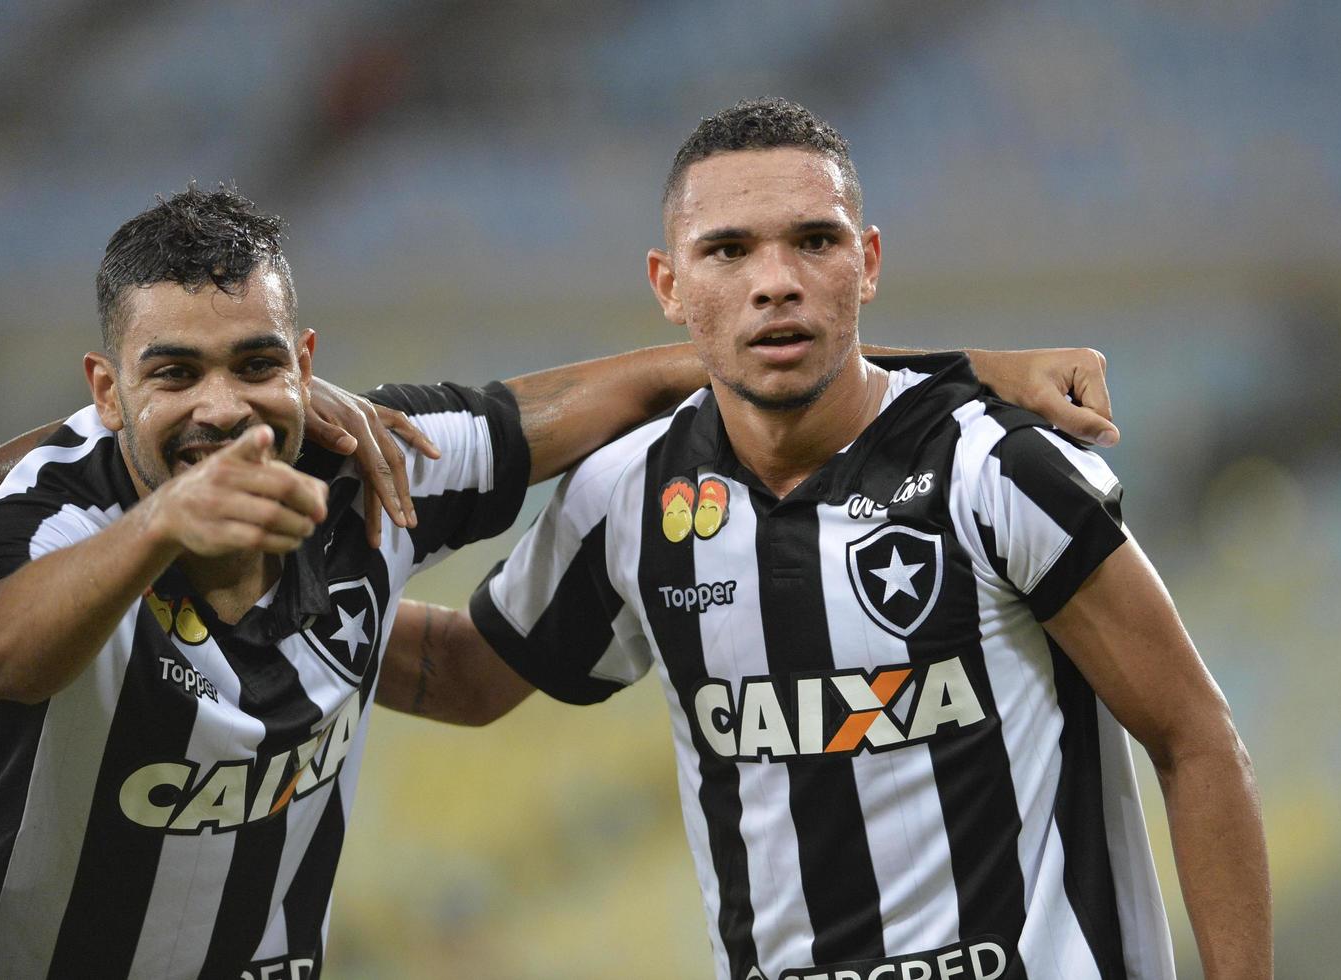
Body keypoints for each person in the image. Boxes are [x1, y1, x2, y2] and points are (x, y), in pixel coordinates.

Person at [0, 183, 1119, 979]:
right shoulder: (36, 513)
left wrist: (973, 369)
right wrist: (165, 518)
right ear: (106, 392)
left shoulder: (365, 465)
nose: (222, 406)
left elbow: (660, 382)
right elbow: (4, 653)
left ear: (305, 363)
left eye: (254, 362)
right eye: (174, 374)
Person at [407, 98, 1272, 979]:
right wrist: (279, 610)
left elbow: (1193, 737)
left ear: (867, 263)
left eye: (815, 241)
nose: (775, 280)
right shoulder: (630, 495)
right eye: (729, 250)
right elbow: (469, 675)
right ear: (670, 285)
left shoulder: (997, 469)